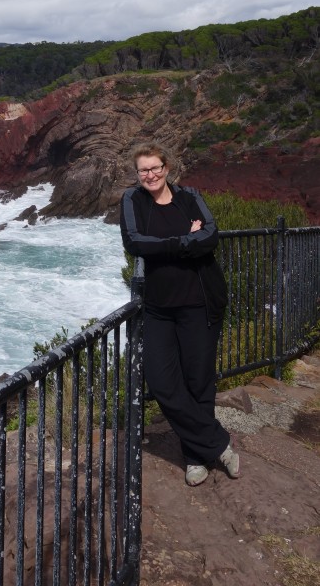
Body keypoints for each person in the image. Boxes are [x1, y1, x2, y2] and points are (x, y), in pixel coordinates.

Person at [120, 141, 240, 486]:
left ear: (167, 167)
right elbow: (134, 243)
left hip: (200, 303)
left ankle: (194, 458)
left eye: (156, 167)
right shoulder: (133, 201)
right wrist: (183, 241)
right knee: (161, 381)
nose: (150, 174)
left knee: (198, 380)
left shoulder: (190, 197)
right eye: (144, 169)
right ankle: (219, 444)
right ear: (137, 174)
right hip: (158, 308)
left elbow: (211, 235)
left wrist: (167, 245)